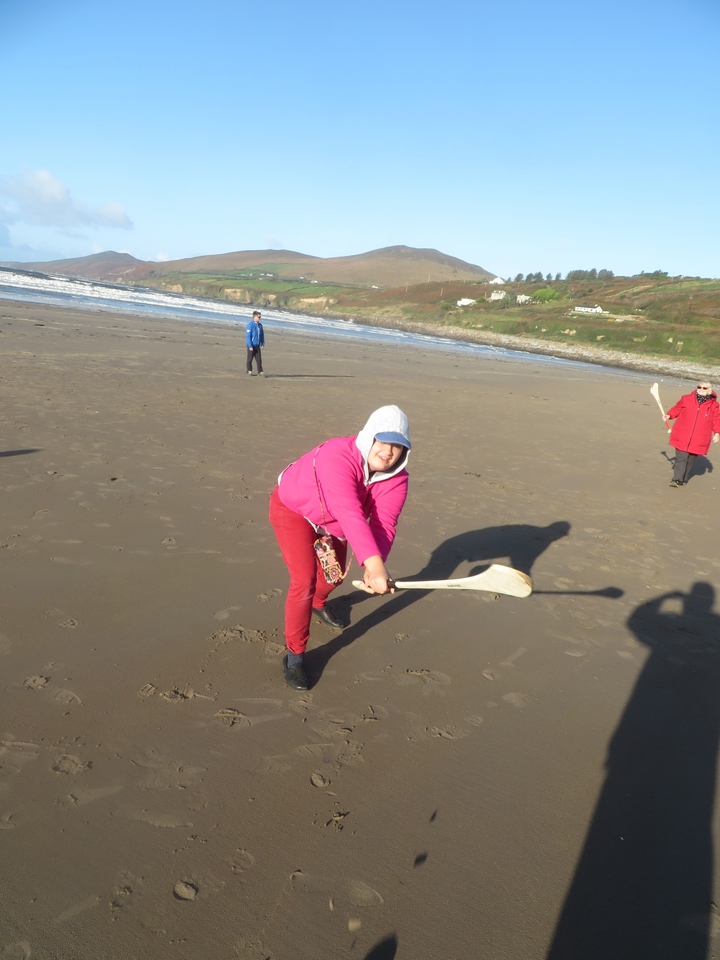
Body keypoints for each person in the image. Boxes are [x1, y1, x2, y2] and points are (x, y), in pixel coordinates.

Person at [269, 405, 411, 690]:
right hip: (294, 510)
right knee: (304, 580)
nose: (388, 451)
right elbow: (349, 511)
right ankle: (294, 656)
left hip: (333, 526)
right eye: (383, 441)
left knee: (333, 577)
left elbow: (383, 524)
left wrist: (376, 566)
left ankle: (318, 604)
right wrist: (373, 566)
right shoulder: (337, 454)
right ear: (369, 436)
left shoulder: (397, 479)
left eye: (397, 446)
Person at [663, 381, 720, 487]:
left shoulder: (714, 405)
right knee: (681, 457)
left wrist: (717, 433)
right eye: (699, 387)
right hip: (682, 433)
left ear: (709, 390)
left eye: (704, 388)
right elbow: (677, 409)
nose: (701, 389)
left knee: (691, 459)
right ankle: (676, 479)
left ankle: (683, 478)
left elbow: (716, 419)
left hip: (700, 437)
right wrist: (669, 415)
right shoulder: (686, 399)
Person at [246, 310, 265, 376]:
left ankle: (260, 372)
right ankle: (249, 370)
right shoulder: (250, 325)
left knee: (259, 360)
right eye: (258, 317)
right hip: (251, 345)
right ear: (255, 317)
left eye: (260, 317)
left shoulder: (260, 326)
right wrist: (250, 346)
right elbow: (248, 336)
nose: (260, 318)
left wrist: (262, 343)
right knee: (249, 359)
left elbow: (262, 335)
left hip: (257, 345)